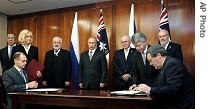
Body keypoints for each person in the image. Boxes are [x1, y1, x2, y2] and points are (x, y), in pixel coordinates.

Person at [137, 44, 195, 109]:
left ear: (158, 56)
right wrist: (141, 88)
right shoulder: (164, 65)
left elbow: (173, 89)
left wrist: (150, 89)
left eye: (150, 60)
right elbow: (157, 84)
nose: (150, 64)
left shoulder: (172, 64)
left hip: (180, 105)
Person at [0, 33, 17, 108]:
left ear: (15, 40)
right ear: (7, 39)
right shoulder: (2, 50)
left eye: (12, 38)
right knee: (5, 94)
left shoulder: (19, 49)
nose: (10, 39)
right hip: (5, 76)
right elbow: (2, 64)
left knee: (15, 95)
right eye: (9, 38)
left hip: (16, 76)